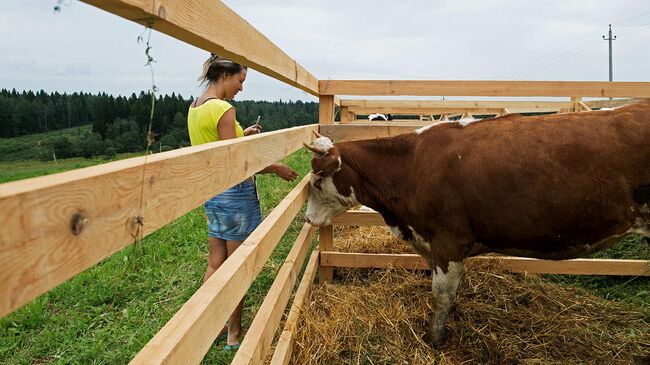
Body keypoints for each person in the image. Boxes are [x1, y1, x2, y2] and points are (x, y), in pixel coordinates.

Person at [187, 54, 298, 351]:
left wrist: (242, 134)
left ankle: (203, 321)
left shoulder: (195, 107)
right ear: (225, 75)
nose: (241, 88)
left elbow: (217, 149)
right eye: (241, 80)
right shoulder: (224, 109)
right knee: (238, 269)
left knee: (215, 263)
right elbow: (238, 165)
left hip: (213, 193)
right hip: (235, 195)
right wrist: (276, 168)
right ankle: (234, 333)